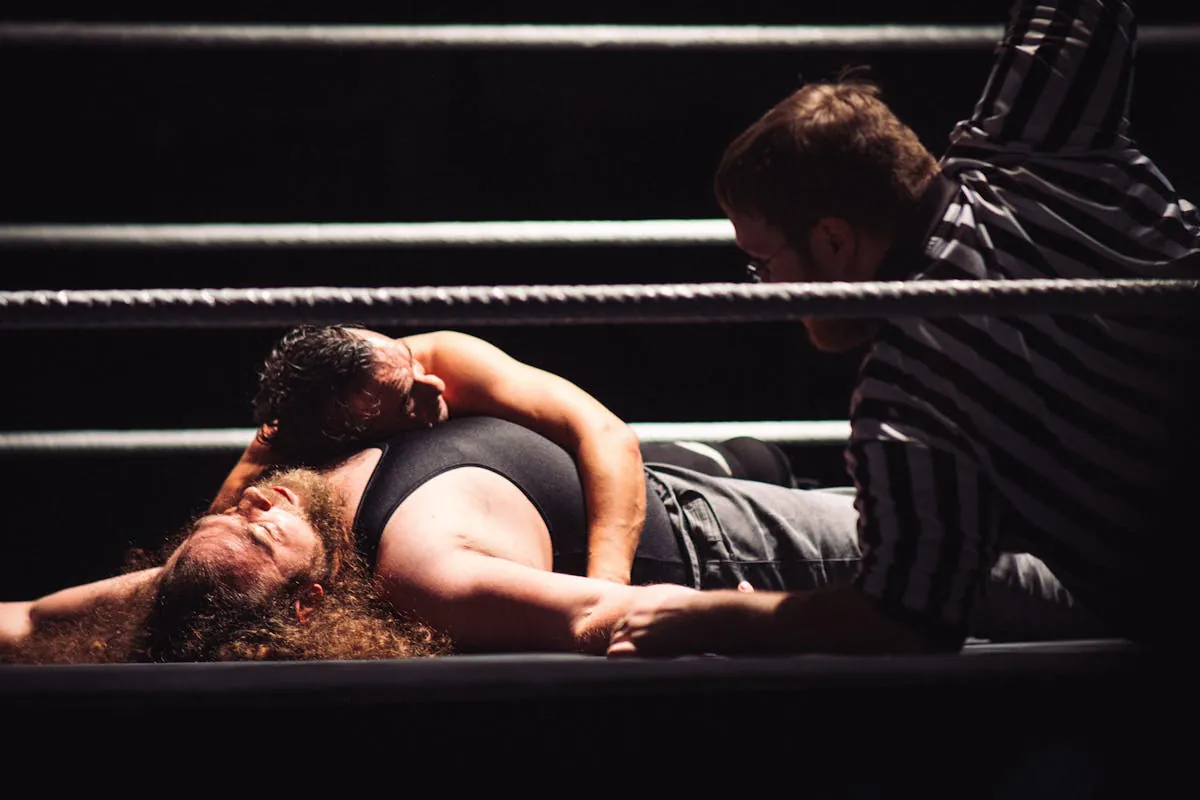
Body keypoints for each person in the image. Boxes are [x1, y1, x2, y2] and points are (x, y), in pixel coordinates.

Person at [607, 0, 1198, 657]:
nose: (765, 292)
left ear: (833, 242)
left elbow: (908, 616)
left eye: (764, 263)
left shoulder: (909, 391)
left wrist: (712, 619)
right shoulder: (1031, 144)